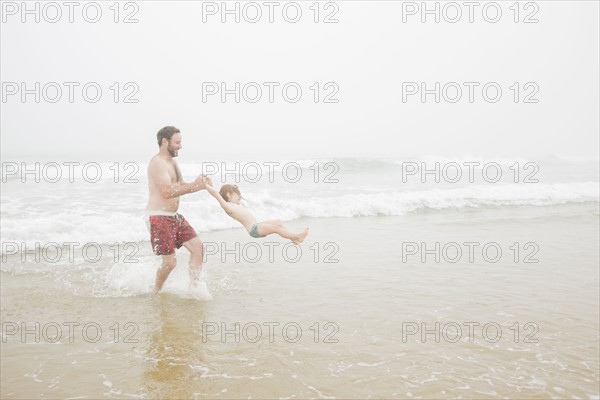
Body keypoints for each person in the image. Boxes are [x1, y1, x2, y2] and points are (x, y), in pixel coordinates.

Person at [146, 126, 213, 300]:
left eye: (180, 142)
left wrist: (200, 184)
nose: (180, 146)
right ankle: (155, 292)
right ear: (164, 142)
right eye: (177, 142)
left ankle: (193, 289)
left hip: (173, 217)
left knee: (198, 248)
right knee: (170, 263)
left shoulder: (173, 162)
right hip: (158, 216)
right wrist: (195, 186)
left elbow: (182, 184)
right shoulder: (157, 163)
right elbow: (167, 192)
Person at [206, 184, 309, 244]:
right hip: (254, 229)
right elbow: (216, 194)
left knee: (278, 222)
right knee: (276, 229)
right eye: (238, 196)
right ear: (229, 195)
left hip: (257, 225)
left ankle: (293, 239)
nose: (240, 198)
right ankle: (297, 236)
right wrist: (205, 186)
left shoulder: (233, 205)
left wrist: (210, 184)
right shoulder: (227, 206)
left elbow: (217, 192)